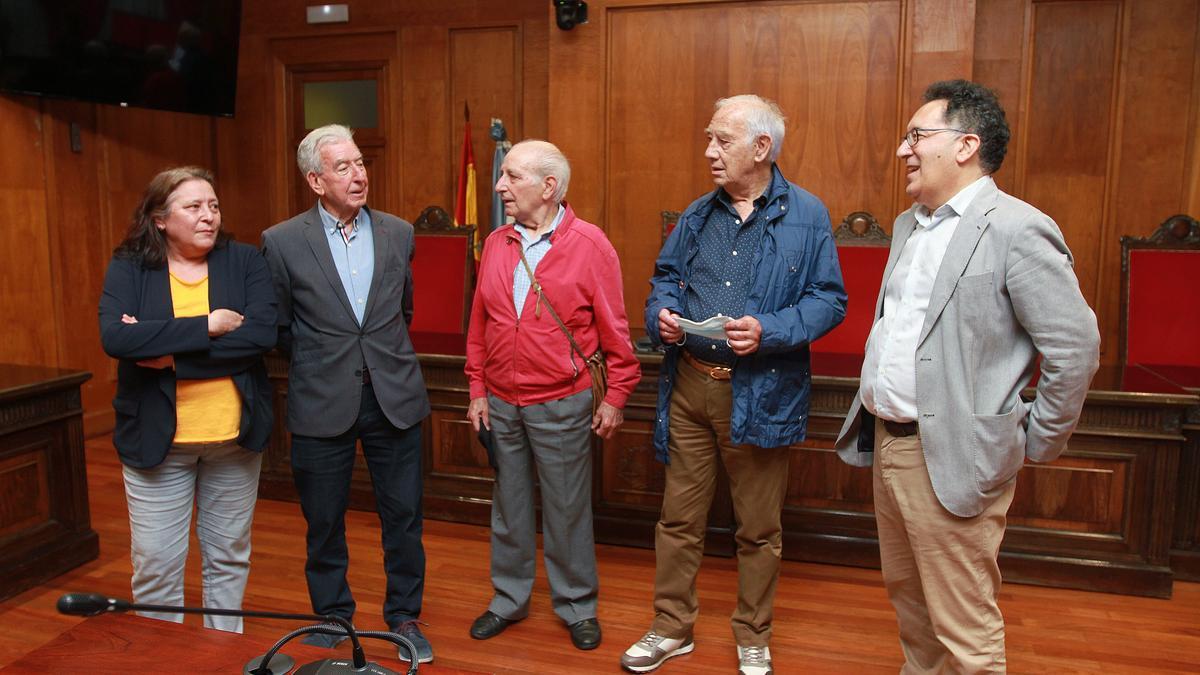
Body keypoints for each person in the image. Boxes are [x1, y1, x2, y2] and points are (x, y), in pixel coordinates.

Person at [835, 80, 1101, 673]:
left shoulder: (1016, 228)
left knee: (964, 628)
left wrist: (1038, 439)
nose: (904, 150)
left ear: (965, 146)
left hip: (955, 455)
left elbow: (1075, 346)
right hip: (890, 444)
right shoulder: (909, 224)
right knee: (910, 603)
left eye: (917, 136)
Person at [627, 95, 847, 675]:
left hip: (760, 393)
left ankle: (753, 634)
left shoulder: (808, 215)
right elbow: (664, 279)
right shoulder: (697, 214)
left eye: (721, 140)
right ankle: (672, 628)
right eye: (709, 138)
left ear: (761, 148)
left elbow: (830, 301)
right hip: (689, 388)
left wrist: (769, 330)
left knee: (757, 528)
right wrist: (663, 316)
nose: (709, 152)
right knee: (677, 520)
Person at [261, 124, 433, 663]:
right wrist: (327, 363)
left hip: (393, 394)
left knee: (403, 515)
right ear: (315, 179)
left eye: (360, 163)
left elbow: (402, 311)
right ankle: (333, 616)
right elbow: (281, 326)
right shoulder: (282, 241)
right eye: (343, 167)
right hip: (321, 397)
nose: (358, 175)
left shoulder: (399, 232)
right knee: (324, 517)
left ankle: (404, 616)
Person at [464, 139, 641, 651]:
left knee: (566, 509)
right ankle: (508, 600)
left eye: (511, 176)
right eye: (501, 175)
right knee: (509, 507)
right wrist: (477, 388)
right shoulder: (498, 242)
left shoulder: (590, 244)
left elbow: (615, 332)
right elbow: (480, 324)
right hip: (500, 401)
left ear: (548, 186)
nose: (500, 185)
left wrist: (616, 397)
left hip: (562, 400)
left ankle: (576, 605)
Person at [98, 166, 276, 633]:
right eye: (194, 207)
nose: (209, 216)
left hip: (232, 441)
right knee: (156, 568)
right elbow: (116, 338)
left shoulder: (244, 260)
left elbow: (259, 336)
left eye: (213, 205)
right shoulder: (130, 267)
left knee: (228, 561)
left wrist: (172, 357)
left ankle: (221, 656)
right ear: (160, 218)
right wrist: (208, 326)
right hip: (158, 443)